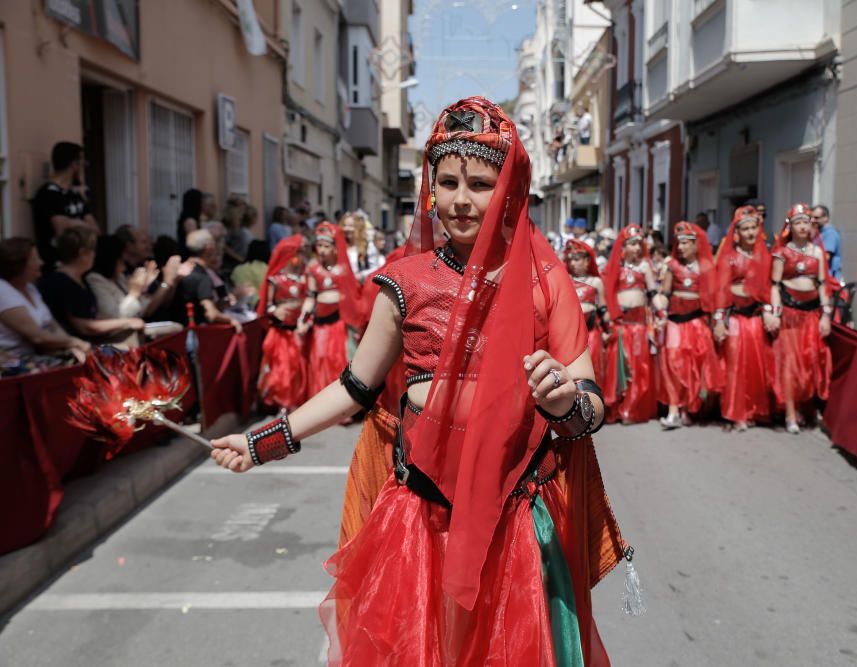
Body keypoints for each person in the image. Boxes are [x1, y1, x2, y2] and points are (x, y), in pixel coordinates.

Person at [209, 97, 628, 666]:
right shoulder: (401, 281)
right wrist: (262, 444)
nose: (460, 200)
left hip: (516, 525)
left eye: (480, 183)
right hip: (421, 521)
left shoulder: (545, 279)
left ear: (509, 187)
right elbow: (354, 389)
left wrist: (564, 402)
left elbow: (591, 404)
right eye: (448, 182)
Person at [765, 203, 833, 434]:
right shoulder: (781, 253)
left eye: (806, 222)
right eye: (798, 222)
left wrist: (826, 316)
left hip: (811, 314)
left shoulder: (817, 252)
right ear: (790, 226)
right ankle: (790, 413)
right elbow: (774, 285)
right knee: (790, 363)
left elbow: (823, 285)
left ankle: (808, 407)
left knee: (811, 361)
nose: (803, 227)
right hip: (789, 314)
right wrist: (774, 313)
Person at [656, 221, 724, 429]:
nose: (682, 247)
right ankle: (673, 409)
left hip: (697, 323)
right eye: (680, 243)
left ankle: (687, 409)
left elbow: (715, 299)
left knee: (693, 367)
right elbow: (664, 294)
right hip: (676, 322)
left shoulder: (706, 267)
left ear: (696, 244)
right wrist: (660, 313)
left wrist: (719, 323)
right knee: (673, 363)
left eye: (687, 243)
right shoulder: (672, 266)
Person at [712, 206, 774, 431]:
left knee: (755, 366)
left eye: (753, 228)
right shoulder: (729, 257)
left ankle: (753, 410)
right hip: (735, 318)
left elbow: (768, 288)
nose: (750, 233)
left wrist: (770, 312)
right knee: (735, 366)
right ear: (737, 231)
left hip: (755, 319)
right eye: (745, 228)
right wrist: (719, 321)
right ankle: (736, 412)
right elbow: (721, 290)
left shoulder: (763, 255)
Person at [38, 228, 145, 344]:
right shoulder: (59, 282)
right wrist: (127, 322)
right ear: (82, 253)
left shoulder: (81, 279)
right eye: (92, 250)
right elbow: (84, 326)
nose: (95, 255)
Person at [0, 238, 90, 366]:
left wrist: (71, 347)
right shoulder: (2, 290)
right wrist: (74, 342)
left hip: (40, 356)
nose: (41, 263)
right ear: (19, 264)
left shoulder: (30, 288)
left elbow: (52, 325)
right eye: (35, 259)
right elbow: (37, 337)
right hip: (13, 362)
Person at [602, 223, 658, 424]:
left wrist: (661, 312)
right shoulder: (614, 268)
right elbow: (607, 294)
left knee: (639, 368)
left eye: (638, 244)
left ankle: (633, 408)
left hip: (639, 325)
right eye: (632, 244)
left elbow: (653, 294)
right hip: (621, 324)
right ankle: (618, 408)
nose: (636, 248)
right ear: (623, 247)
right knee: (620, 369)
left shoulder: (645, 267)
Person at [297, 222, 360, 399]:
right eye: (319, 246)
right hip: (321, 322)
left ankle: (342, 402)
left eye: (326, 246)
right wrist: (302, 317)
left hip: (340, 322)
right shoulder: (313, 269)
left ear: (335, 247)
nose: (322, 250)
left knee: (339, 360)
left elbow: (352, 297)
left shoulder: (343, 269)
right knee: (321, 357)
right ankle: (322, 400)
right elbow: (310, 296)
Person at [85, 235, 186, 344]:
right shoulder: (95, 280)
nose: (124, 266)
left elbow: (145, 308)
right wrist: (134, 293)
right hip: (117, 338)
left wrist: (144, 289)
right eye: (121, 260)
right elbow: (117, 317)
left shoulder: (118, 277)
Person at [31, 142, 99, 270]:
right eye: (82, 160)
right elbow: (61, 231)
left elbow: (95, 230)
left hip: (81, 264)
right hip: (57, 265)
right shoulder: (48, 194)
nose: (83, 165)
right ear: (74, 164)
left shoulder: (75, 194)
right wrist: (81, 223)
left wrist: (72, 222)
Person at [257, 252, 308, 412]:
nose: (299, 259)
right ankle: (281, 401)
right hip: (280, 333)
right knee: (281, 368)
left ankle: (295, 400)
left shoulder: (304, 279)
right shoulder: (275, 279)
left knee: (296, 368)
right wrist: (277, 310)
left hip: (297, 331)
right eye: (295, 255)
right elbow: (268, 305)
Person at [172, 229, 243, 332]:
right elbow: (211, 314)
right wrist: (232, 320)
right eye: (214, 242)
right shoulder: (202, 277)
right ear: (208, 248)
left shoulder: (181, 271)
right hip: (194, 335)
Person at [564, 239, 611, 393]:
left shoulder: (596, 282)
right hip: (572, 335)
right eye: (570, 259)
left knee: (594, 368)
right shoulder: (566, 281)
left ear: (586, 261)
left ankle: (597, 403)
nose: (573, 263)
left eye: (577, 259)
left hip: (592, 334)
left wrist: (609, 330)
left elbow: (603, 308)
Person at [812, 204, 843, 282]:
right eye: (811, 217)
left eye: (816, 218)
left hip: (829, 279)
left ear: (826, 218)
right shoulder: (820, 233)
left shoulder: (830, 233)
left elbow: (826, 256)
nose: (813, 220)